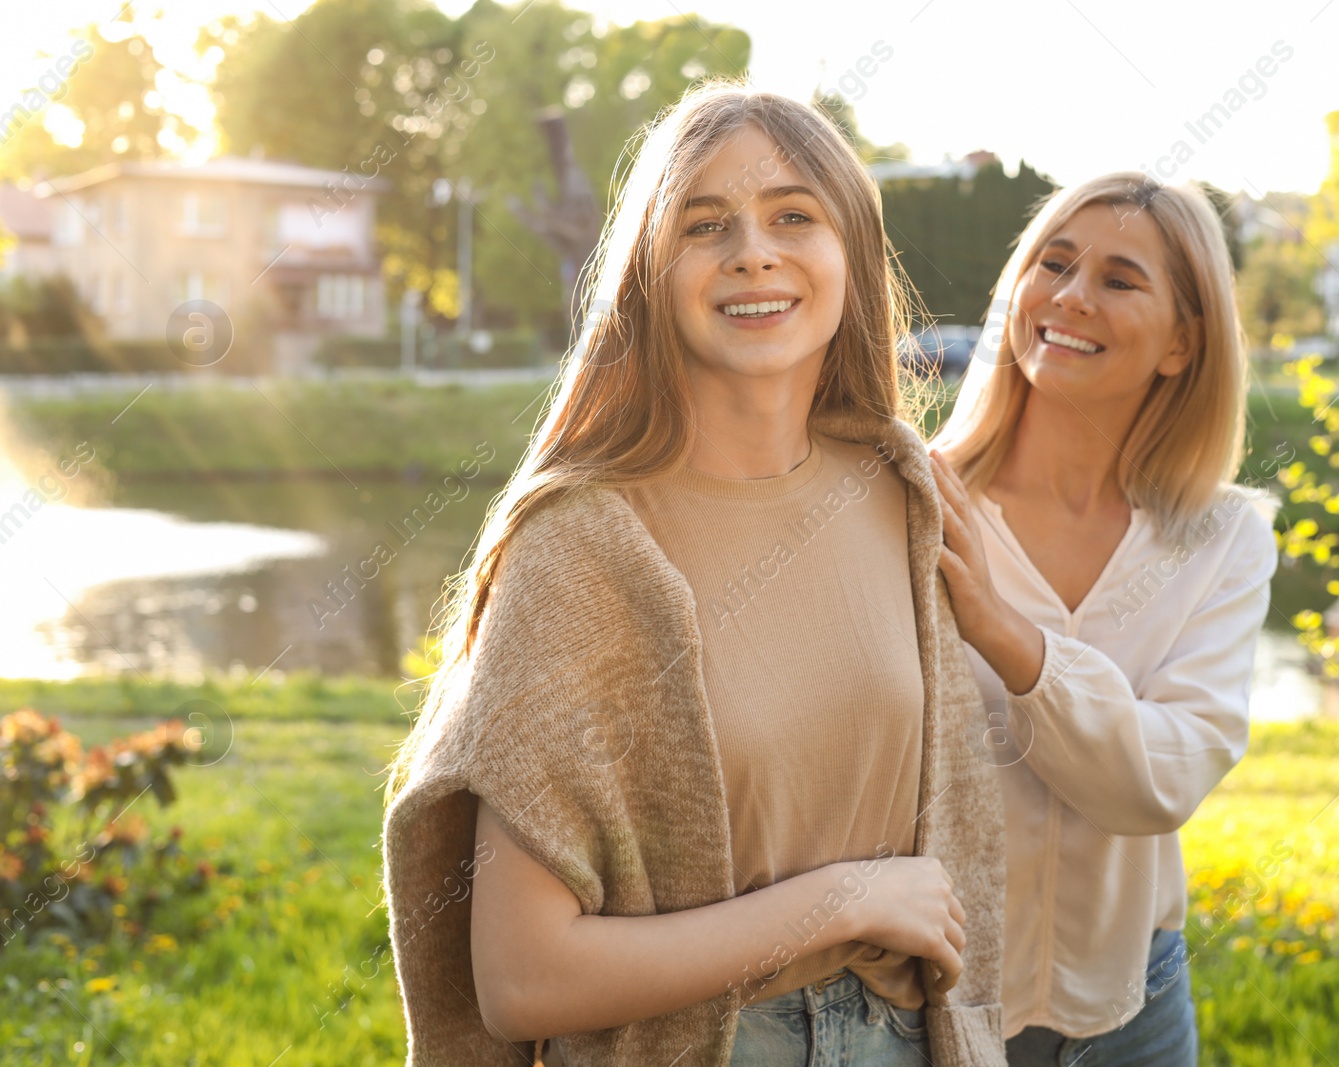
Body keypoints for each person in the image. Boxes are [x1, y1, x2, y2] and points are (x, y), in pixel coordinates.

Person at [381, 82, 1007, 1067]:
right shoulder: (584, 546)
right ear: (650, 275)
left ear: (849, 250)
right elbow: (522, 979)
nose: (752, 251)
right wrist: (836, 901)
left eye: (792, 215)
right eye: (703, 225)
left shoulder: (900, 492)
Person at [928, 173, 1279, 1066]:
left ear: (1181, 344)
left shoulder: (1225, 539)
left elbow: (1163, 779)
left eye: (1121, 279)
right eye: (1054, 262)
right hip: (930, 1005)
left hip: (1137, 1013)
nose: (1071, 296)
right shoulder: (916, 499)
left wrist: (1007, 637)